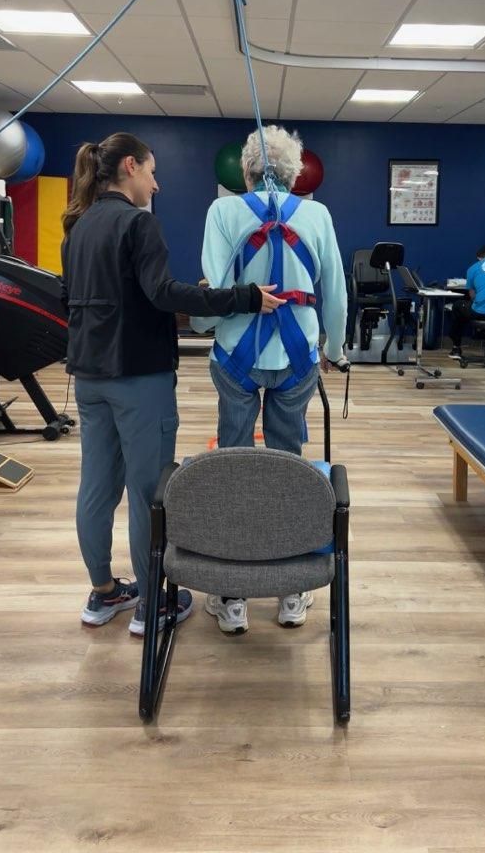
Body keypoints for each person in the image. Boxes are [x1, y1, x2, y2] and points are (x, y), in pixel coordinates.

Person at [60, 132, 283, 637]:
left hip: (89, 377)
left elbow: (77, 300)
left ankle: (104, 592)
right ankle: (151, 605)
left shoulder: (77, 227)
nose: (157, 184)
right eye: (153, 173)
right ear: (131, 168)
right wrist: (241, 297)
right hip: (138, 380)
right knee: (147, 492)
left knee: (96, 487)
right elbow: (161, 294)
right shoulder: (140, 224)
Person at [191, 125, 347, 636]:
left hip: (236, 352)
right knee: (287, 464)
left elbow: (213, 289)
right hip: (298, 355)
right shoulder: (319, 214)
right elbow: (337, 291)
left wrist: (203, 324)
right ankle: (291, 591)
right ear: (295, 170)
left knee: (232, 461)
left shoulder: (222, 212)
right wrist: (335, 349)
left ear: (248, 169)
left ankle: (231, 594)